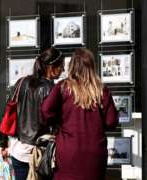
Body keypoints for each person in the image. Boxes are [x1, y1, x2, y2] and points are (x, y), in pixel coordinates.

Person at [41, 48, 119, 180]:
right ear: (92, 66)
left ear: (72, 66)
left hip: (68, 152)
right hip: (95, 153)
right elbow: (111, 121)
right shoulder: (101, 90)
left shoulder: (63, 87)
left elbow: (45, 111)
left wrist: (59, 122)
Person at [0, 47, 64, 180]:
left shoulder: (21, 82)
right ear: (51, 67)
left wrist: (2, 143)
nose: (63, 70)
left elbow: (8, 113)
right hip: (41, 154)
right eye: (61, 66)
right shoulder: (52, 90)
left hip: (18, 151)